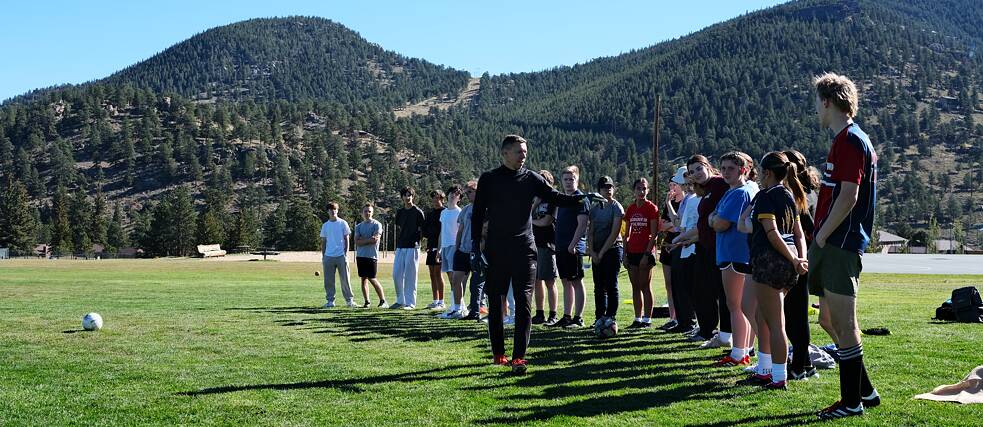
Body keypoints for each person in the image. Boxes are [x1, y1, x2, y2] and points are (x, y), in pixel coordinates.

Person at [471, 134, 597, 374]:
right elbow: (478, 214)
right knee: (496, 303)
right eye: (519, 152)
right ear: (505, 153)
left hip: (525, 250)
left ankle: (519, 357)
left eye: (525, 152)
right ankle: (499, 354)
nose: (523, 156)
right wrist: (476, 246)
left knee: (524, 302)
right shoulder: (489, 179)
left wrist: (582, 198)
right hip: (497, 249)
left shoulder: (532, 179)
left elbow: (556, 197)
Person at [810, 73, 880, 420]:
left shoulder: (852, 140)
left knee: (845, 323)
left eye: (816, 102)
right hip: (831, 243)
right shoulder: (843, 140)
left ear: (827, 101)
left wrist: (822, 235)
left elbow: (849, 196)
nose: (816, 110)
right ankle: (866, 390)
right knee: (827, 319)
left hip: (840, 243)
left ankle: (852, 402)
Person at [735, 151, 809, 390]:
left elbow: (772, 233)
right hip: (788, 263)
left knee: (776, 323)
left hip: (769, 262)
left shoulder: (766, 197)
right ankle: (765, 369)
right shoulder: (790, 195)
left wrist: (794, 259)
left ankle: (778, 377)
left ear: (767, 173)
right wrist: (800, 258)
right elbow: (798, 234)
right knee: (762, 317)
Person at [710, 152, 759, 367]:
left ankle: (738, 353)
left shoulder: (740, 193)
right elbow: (714, 216)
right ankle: (746, 348)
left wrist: (712, 220)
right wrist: (714, 218)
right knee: (744, 305)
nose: (726, 172)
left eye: (731, 168)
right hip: (738, 253)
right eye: (723, 168)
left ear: (743, 169)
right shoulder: (740, 190)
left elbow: (720, 222)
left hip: (734, 254)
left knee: (735, 305)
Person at [783, 149, 820, 380]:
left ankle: (799, 365)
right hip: (804, 256)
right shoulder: (808, 191)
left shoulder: (799, 195)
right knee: (795, 313)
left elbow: (806, 226)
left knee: (794, 314)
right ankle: (804, 361)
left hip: (799, 258)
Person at [687, 155, 732, 346]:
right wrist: (685, 238)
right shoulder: (705, 190)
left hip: (719, 247)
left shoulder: (719, 184)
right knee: (701, 290)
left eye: (698, 168)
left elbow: (720, 217)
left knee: (721, 292)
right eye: (691, 172)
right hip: (704, 247)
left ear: (708, 167)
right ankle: (707, 329)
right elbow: (704, 223)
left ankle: (725, 334)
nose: (696, 174)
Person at [549, 166, 591, 329]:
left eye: (571, 179)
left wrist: (573, 245)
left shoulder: (581, 199)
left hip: (573, 247)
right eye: (565, 179)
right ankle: (567, 316)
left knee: (576, 281)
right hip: (561, 246)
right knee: (565, 281)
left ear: (577, 180)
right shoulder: (562, 199)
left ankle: (578, 318)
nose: (568, 182)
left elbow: (582, 224)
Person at [588, 176, 625, 327]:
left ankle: (611, 317)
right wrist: (592, 252)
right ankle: (599, 317)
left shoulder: (617, 207)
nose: (608, 190)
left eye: (610, 187)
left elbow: (614, 233)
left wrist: (601, 253)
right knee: (598, 287)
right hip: (597, 251)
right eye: (604, 187)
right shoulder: (594, 208)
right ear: (599, 190)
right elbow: (590, 232)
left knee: (611, 285)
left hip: (613, 249)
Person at [623, 177, 659, 329]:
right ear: (634, 190)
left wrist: (646, 254)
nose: (641, 191)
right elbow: (625, 232)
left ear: (647, 190)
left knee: (645, 285)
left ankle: (647, 319)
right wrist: (624, 253)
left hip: (645, 252)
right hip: (632, 251)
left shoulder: (652, 208)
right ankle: (637, 318)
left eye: (644, 188)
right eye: (638, 188)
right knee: (635, 286)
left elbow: (654, 233)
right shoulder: (630, 209)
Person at [665, 168, 698, 334]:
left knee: (686, 286)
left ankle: (689, 322)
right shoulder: (686, 200)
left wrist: (676, 241)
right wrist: (668, 204)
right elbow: (677, 223)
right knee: (678, 285)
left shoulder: (692, 200)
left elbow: (682, 227)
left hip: (687, 245)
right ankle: (682, 320)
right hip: (681, 243)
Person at [531, 170, 560, 326]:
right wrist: (535, 203)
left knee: (549, 281)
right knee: (536, 281)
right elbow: (527, 216)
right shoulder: (535, 200)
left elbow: (546, 221)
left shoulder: (552, 200)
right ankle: (539, 313)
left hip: (547, 244)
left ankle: (553, 314)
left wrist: (530, 221)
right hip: (533, 244)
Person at [658, 169, 686, 329]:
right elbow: (663, 225)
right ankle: (672, 317)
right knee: (669, 284)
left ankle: (684, 317)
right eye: (670, 185)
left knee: (680, 284)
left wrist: (672, 225)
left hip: (680, 246)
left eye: (674, 185)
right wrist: (672, 225)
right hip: (667, 246)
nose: (671, 188)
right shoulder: (669, 203)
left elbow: (679, 227)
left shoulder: (687, 201)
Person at [392, 187, 425, 310]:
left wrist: (418, 243)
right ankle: (400, 301)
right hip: (401, 246)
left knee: (411, 276)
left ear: (413, 196)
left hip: (413, 246)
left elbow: (422, 230)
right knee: (396, 274)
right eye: (405, 195)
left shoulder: (418, 212)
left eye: (410, 195)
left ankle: (410, 303)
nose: (408, 197)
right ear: (402, 197)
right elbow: (400, 228)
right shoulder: (400, 212)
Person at [319, 202, 355, 308]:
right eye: (331, 209)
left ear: (337, 210)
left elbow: (346, 239)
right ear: (328, 211)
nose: (333, 211)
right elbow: (324, 242)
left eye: (335, 209)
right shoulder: (325, 225)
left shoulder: (343, 223)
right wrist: (323, 256)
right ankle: (330, 301)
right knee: (328, 281)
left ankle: (349, 301)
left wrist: (345, 254)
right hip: (328, 257)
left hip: (341, 256)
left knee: (345, 280)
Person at [353, 203, 387, 308]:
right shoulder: (358, 226)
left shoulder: (377, 224)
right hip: (360, 256)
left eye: (369, 211)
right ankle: (367, 302)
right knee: (363, 279)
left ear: (372, 212)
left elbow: (375, 240)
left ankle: (383, 301)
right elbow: (357, 242)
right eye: (365, 211)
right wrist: (368, 240)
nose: (367, 213)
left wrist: (363, 240)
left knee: (372, 278)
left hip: (371, 256)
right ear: (362, 213)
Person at [438, 185, 464, 318]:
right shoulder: (443, 213)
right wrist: (439, 249)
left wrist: (458, 248)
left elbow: (461, 232)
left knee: (456, 279)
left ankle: (458, 307)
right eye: (451, 193)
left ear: (459, 198)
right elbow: (441, 233)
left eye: (456, 194)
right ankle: (456, 306)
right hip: (445, 247)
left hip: (455, 247)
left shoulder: (460, 212)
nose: (453, 196)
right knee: (450, 279)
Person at [423, 190, 446, 310]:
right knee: (432, 274)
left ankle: (442, 302)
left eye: (437, 198)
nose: (435, 201)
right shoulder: (430, 214)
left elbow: (443, 232)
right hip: (431, 247)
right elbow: (426, 230)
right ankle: (435, 300)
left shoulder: (445, 212)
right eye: (433, 199)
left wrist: (440, 249)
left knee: (438, 274)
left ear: (442, 199)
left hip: (440, 247)